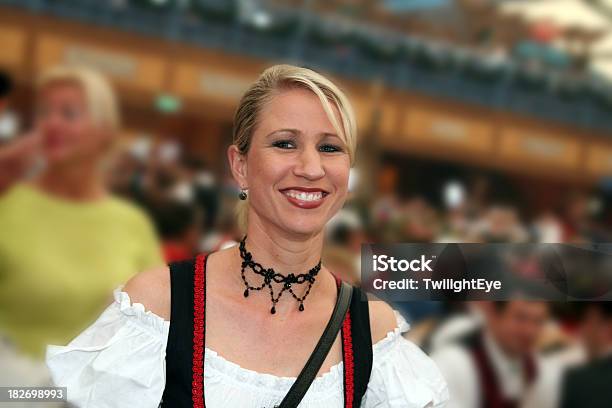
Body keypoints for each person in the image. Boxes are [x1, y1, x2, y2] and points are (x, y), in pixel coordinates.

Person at [46, 64, 449, 407]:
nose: (310, 167)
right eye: (285, 143)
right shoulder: (157, 304)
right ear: (240, 166)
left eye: (330, 148)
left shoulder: (373, 334)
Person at [0, 65, 163, 359]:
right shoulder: (9, 206)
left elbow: (158, 320)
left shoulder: (131, 222)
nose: (51, 124)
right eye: (44, 113)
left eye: (69, 114)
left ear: (104, 132)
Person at [431, 301, 548, 408]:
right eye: (521, 318)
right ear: (493, 315)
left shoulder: (534, 366)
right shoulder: (453, 363)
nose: (530, 331)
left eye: (538, 321)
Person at [561, 302, 612, 408]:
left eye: (598, 323)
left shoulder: (576, 378)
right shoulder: (573, 375)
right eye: (586, 321)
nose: (591, 329)